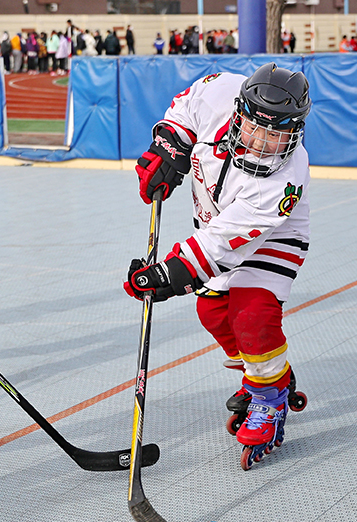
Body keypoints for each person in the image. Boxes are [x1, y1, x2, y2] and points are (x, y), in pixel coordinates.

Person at [124, 63, 312, 471]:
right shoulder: (218, 91)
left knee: (251, 314)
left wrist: (168, 275)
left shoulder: (285, 182)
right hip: (215, 224)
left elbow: (221, 244)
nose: (262, 144)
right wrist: (169, 147)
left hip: (272, 236)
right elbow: (185, 107)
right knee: (211, 311)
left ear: (295, 133)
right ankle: (265, 371)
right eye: (255, 129)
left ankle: (270, 397)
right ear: (239, 112)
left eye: (277, 136)